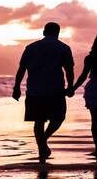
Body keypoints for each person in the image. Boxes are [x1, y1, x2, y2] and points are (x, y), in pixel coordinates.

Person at [13, 22, 74, 162]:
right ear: (58, 33)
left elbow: (22, 69)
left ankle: (41, 144)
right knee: (58, 118)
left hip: (35, 89)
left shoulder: (31, 47)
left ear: (44, 32)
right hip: (55, 90)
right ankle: (43, 141)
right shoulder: (63, 48)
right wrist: (70, 86)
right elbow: (69, 69)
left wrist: (16, 87)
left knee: (39, 121)